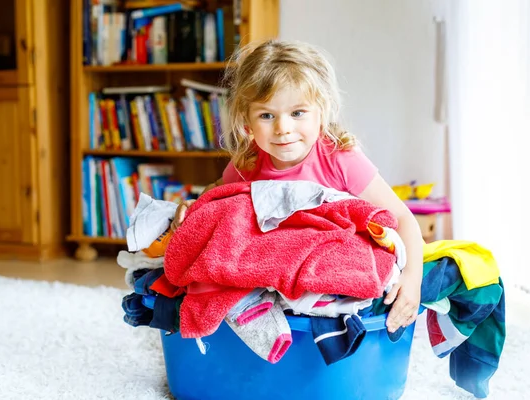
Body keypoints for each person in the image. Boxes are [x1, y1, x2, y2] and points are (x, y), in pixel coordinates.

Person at [170, 39, 423, 333]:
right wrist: (193, 208)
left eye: (298, 113)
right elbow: (218, 199)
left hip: (331, 268)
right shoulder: (250, 160)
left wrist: (412, 280)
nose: (283, 128)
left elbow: (403, 218)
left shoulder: (340, 157)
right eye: (267, 115)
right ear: (247, 122)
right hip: (271, 275)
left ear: (321, 112)